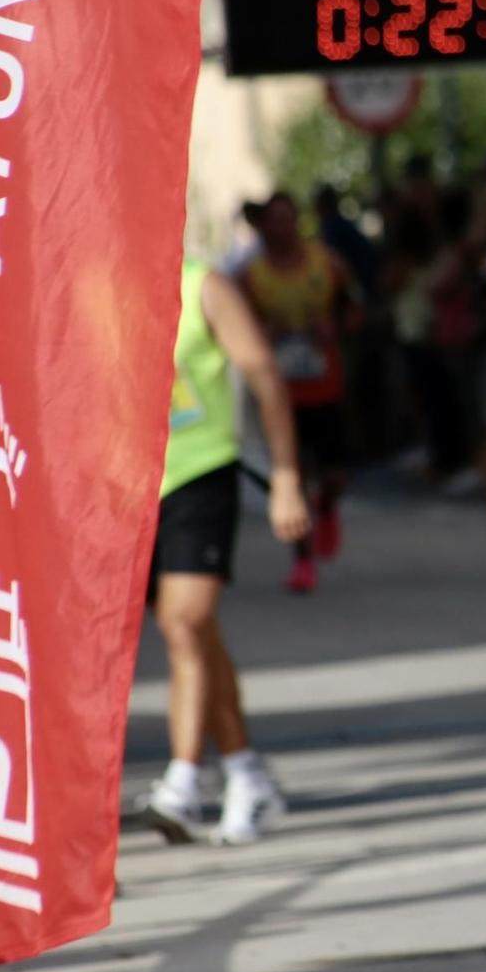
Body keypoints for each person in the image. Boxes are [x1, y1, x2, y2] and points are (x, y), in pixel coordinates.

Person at [140, 262, 312, 846]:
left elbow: (264, 374)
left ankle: (183, 785)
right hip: (126, 484)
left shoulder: (202, 286)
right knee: (196, 634)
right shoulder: (91, 281)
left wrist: (286, 476)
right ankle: (244, 770)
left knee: (183, 620)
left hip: (200, 472)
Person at [242, 190, 354, 595]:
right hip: (281, 395)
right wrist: (262, 336)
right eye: (273, 220)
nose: (281, 227)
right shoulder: (251, 276)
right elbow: (239, 329)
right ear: (263, 225)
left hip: (325, 385)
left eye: (288, 219)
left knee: (335, 475)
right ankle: (303, 560)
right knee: (293, 479)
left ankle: (327, 507)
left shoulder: (327, 264)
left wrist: (335, 329)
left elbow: (357, 311)